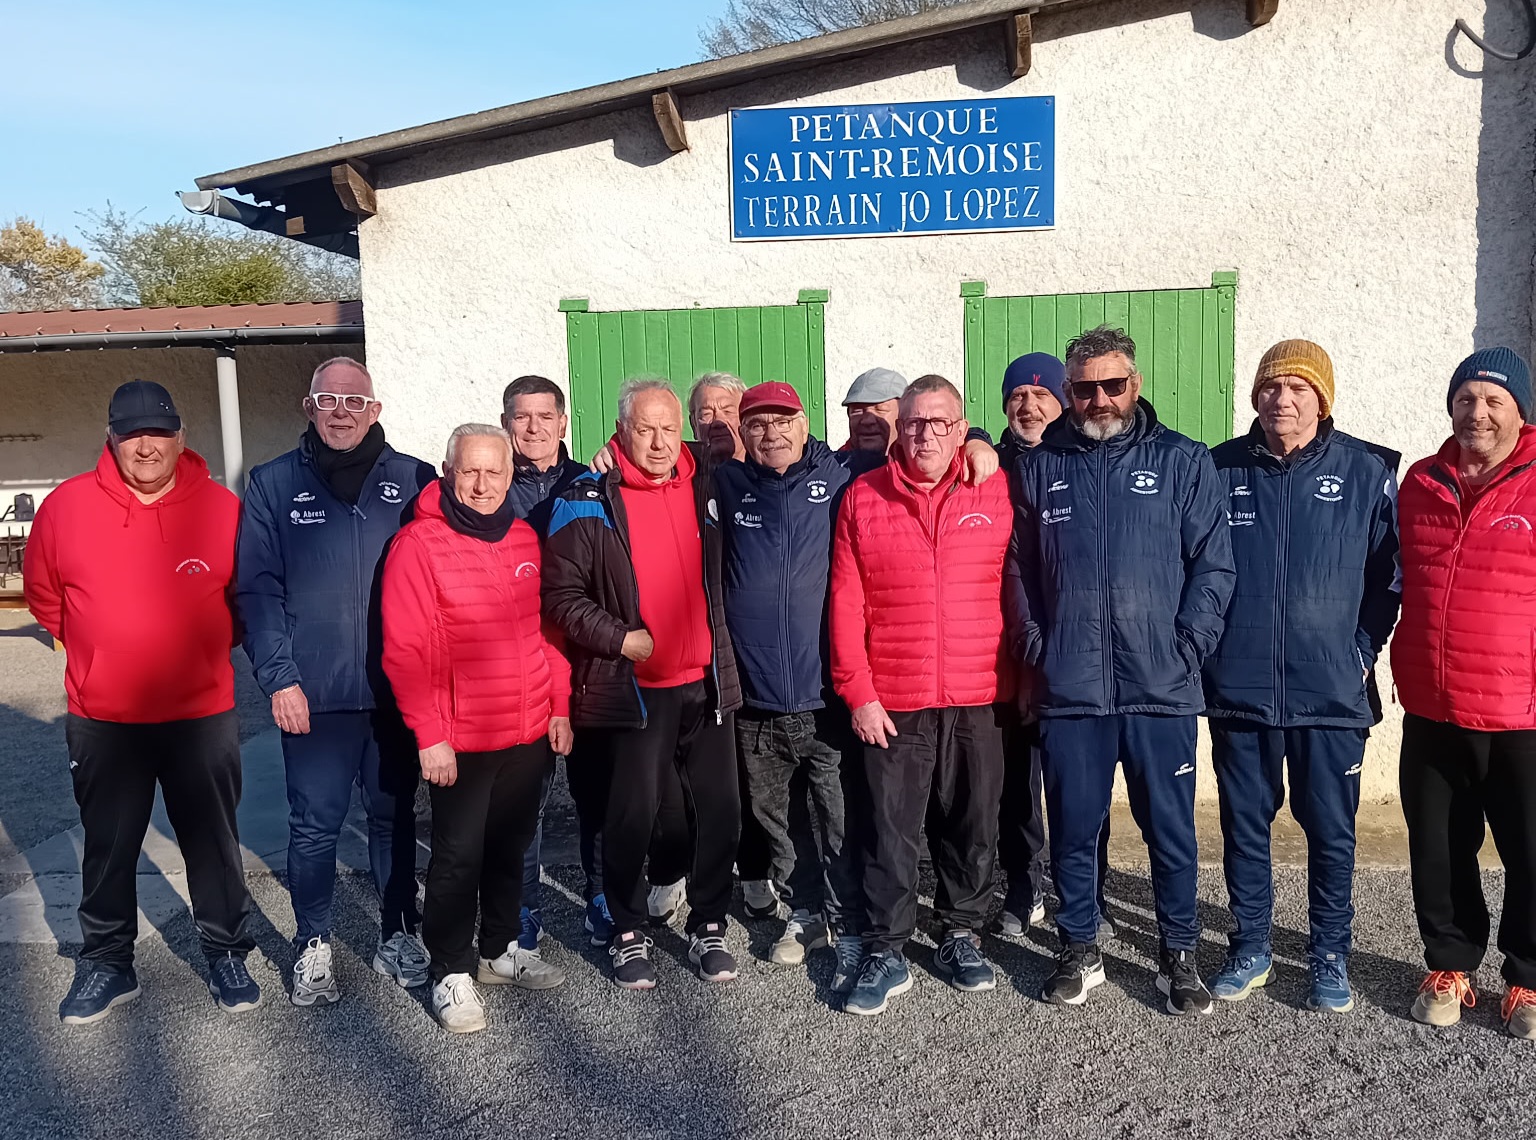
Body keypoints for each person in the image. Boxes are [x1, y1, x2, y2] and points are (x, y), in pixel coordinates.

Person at [1006, 325, 1234, 1017]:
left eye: (1112, 385)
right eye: (1085, 388)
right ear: (1067, 392)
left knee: (1170, 829)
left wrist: (1188, 644)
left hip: (1159, 686)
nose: (1099, 399)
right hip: (1072, 686)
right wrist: (1038, 643)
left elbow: (1214, 566)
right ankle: (1079, 946)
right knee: (1074, 828)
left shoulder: (1183, 460)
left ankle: (1178, 954)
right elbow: (1017, 567)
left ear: (1135, 384)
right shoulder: (1041, 467)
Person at [24, 379, 261, 1024]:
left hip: (200, 715)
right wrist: (102, 650)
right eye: (132, 435)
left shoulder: (221, 509)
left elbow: (244, 605)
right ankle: (108, 963)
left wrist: (192, 649)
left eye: (158, 433)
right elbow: (45, 598)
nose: (146, 447)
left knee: (213, 843)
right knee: (108, 845)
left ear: (181, 437)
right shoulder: (66, 507)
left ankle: (225, 952)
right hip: (105, 719)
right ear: (111, 438)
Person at [1202, 340, 1400, 1014]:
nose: (1281, 399)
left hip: (1331, 694)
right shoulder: (1218, 468)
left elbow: (1389, 578)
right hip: (1240, 691)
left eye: (1298, 388)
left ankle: (1329, 953)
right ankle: (1250, 946)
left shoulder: (1367, 471)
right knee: (1244, 827)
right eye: (1270, 386)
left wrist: (1360, 652)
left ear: (1323, 399)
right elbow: (1191, 566)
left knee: (1331, 831)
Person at [237, 357, 435, 1007]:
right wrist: (279, 679)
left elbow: (451, 567)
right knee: (314, 827)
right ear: (309, 407)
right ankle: (313, 941)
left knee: (392, 818)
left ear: (375, 411)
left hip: (394, 693)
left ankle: (398, 932)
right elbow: (257, 590)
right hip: (313, 696)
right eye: (329, 400)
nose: (342, 412)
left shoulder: (415, 481)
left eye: (355, 401)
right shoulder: (272, 484)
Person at [543, 379, 744, 990]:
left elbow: (780, 453)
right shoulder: (586, 497)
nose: (658, 443)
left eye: (668, 428)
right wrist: (618, 638)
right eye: (644, 429)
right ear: (621, 431)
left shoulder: (709, 482)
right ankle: (627, 930)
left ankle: (709, 923)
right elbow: (559, 596)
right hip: (635, 688)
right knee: (631, 816)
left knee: (718, 810)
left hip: (707, 682)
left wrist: (973, 439)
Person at [830, 374, 1013, 1016]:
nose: (925, 435)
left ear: (961, 430)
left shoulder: (994, 488)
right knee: (890, 829)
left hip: (978, 694)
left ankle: (960, 933)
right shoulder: (863, 497)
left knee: (973, 823)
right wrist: (858, 692)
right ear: (897, 429)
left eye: (940, 423)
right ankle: (886, 949)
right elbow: (845, 602)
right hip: (894, 699)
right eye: (913, 423)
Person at [382, 424, 572, 1033]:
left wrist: (559, 705)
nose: (483, 484)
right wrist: (429, 734)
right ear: (449, 473)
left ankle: (499, 950)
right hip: (459, 740)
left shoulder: (522, 537)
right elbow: (404, 650)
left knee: (511, 848)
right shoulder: (417, 545)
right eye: (470, 471)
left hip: (527, 729)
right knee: (457, 857)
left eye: (495, 472)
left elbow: (546, 631)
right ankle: (451, 969)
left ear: (510, 475)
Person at [716, 382, 880, 988]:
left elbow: (914, 454)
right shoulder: (725, 484)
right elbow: (661, 469)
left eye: (783, 421)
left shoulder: (841, 478)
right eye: (757, 424)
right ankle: (805, 912)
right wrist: (607, 452)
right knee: (777, 820)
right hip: (756, 699)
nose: (772, 433)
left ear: (804, 423)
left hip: (825, 696)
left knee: (839, 819)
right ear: (743, 433)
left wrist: (976, 441)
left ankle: (849, 919)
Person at [1393, 347, 1536, 1040]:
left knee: (1530, 849)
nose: (1477, 412)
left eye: (1493, 400)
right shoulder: (1421, 482)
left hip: (1521, 711)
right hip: (1432, 701)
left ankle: (1528, 975)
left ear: (1520, 412)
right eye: (1465, 398)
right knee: (1439, 847)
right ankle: (1449, 964)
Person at [499, 375, 592, 953]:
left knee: (597, 793)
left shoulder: (591, 484)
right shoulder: (490, 486)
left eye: (543, 416)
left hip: (586, 659)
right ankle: (522, 907)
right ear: (506, 423)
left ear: (562, 421)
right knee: (524, 802)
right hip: (521, 667)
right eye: (521, 416)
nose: (533, 428)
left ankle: (602, 897)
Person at [842, 367, 906, 454]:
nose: (867, 420)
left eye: (881, 409)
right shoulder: (835, 462)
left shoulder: (920, 461)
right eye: (857, 411)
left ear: (904, 415)